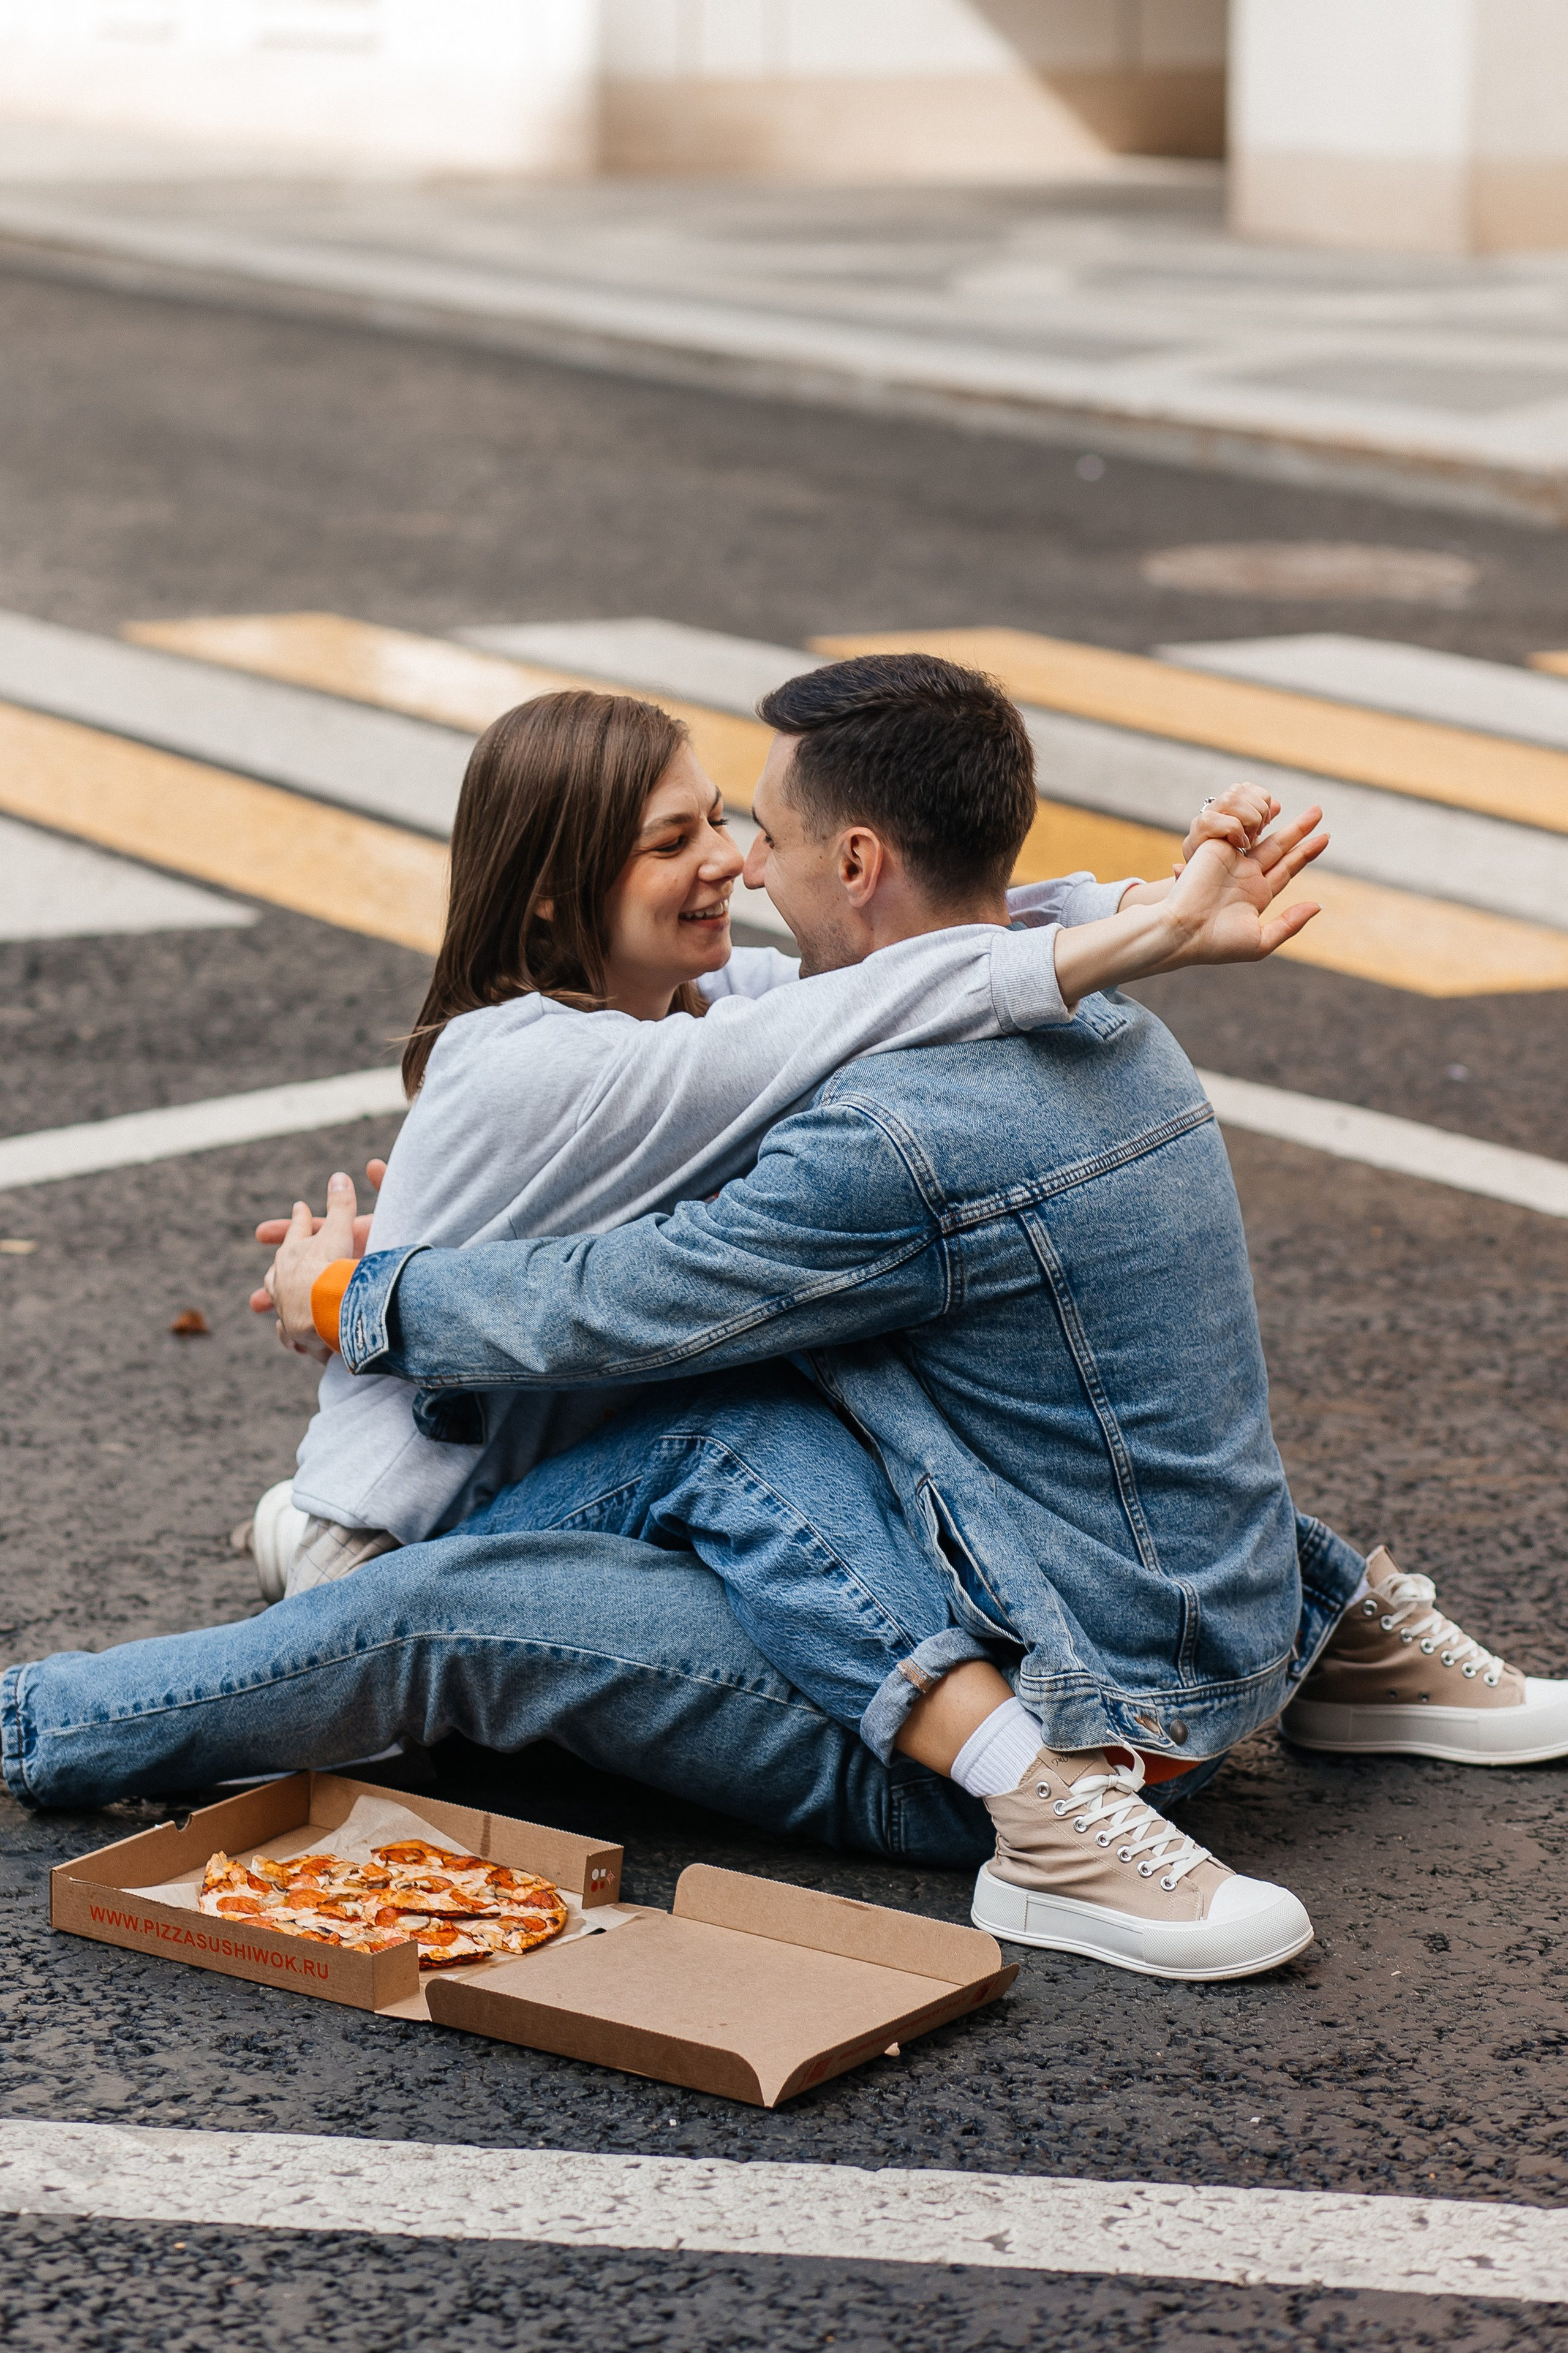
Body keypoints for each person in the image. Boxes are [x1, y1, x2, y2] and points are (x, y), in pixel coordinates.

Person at [243, 676, 1325, 1604]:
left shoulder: (699, 996)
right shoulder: (531, 1059)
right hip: (393, 1548)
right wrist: (1163, 928)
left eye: (719, 819)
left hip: (573, 1474)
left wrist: (1146, 898)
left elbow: (907, 959)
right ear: (546, 897)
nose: (732, 863)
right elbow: (883, 1000)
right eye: (674, 842)